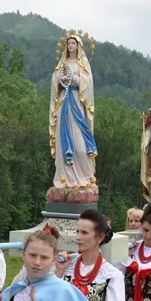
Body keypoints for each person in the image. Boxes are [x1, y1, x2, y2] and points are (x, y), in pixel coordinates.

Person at [49, 33, 98, 197]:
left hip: (77, 102)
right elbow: (56, 84)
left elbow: (87, 83)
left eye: (73, 43)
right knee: (64, 140)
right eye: (68, 43)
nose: (70, 46)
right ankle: (66, 178)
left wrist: (74, 77)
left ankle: (85, 176)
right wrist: (60, 78)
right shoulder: (61, 64)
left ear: (79, 46)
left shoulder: (82, 63)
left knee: (80, 145)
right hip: (64, 105)